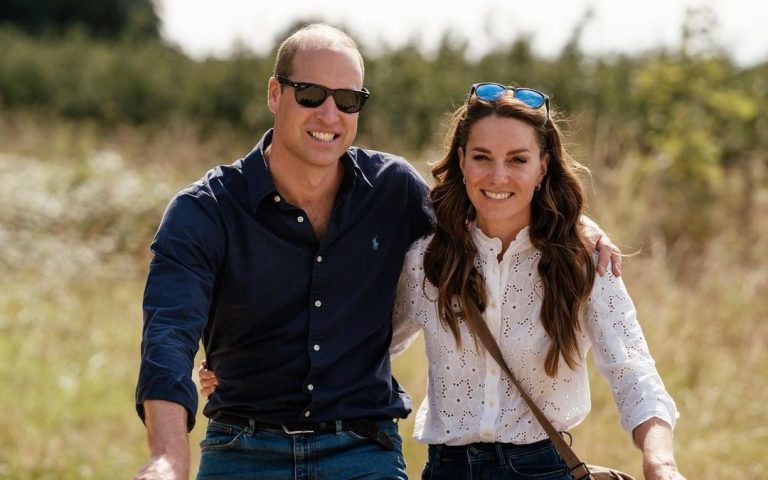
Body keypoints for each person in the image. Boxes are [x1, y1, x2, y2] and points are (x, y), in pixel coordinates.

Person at [137, 23, 619, 480]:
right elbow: (168, 337)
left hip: (362, 451)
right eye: (310, 94)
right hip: (242, 449)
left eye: (348, 100)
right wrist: (166, 458)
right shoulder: (205, 211)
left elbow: (487, 214)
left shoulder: (392, 192)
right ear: (274, 94)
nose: (329, 114)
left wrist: (576, 224)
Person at [203, 82, 685, 479]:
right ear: (461, 161)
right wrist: (254, 368)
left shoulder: (582, 262)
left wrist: (658, 460)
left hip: (542, 467)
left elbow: (631, 370)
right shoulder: (427, 259)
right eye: (482, 157)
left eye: (518, 159)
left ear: (543, 168)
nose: (498, 175)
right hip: (447, 470)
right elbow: (359, 345)